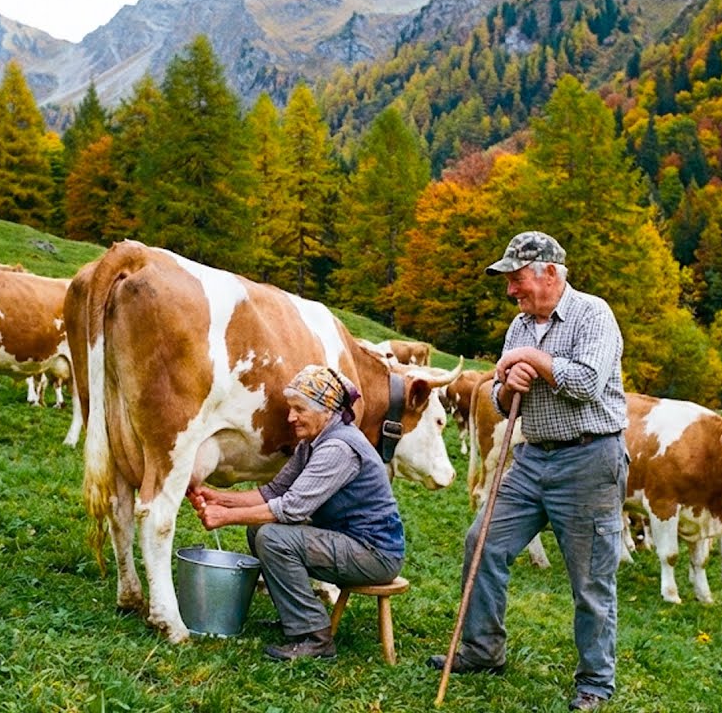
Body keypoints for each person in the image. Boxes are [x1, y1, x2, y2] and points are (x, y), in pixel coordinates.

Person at [428, 231, 628, 712]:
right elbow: (502, 402)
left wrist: (530, 361)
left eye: (517, 278)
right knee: (483, 542)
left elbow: (586, 383)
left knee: (590, 579)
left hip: (589, 460)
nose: (510, 290)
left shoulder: (593, 314)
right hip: (532, 456)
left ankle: (595, 681)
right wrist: (506, 384)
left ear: (550, 273)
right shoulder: (519, 326)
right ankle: (483, 649)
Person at [187, 365, 405, 661]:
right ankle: (295, 618)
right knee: (259, 530)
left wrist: (224, 517)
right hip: (346, 539)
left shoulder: (338, 448)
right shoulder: (315, 442)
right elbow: (274, 491)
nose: (291, 417)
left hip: (374, 553)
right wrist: (220, 498)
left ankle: (316, 637)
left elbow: (291, 508)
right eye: (291, 408)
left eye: (299, 409)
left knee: (274, 539)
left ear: (326, 410)